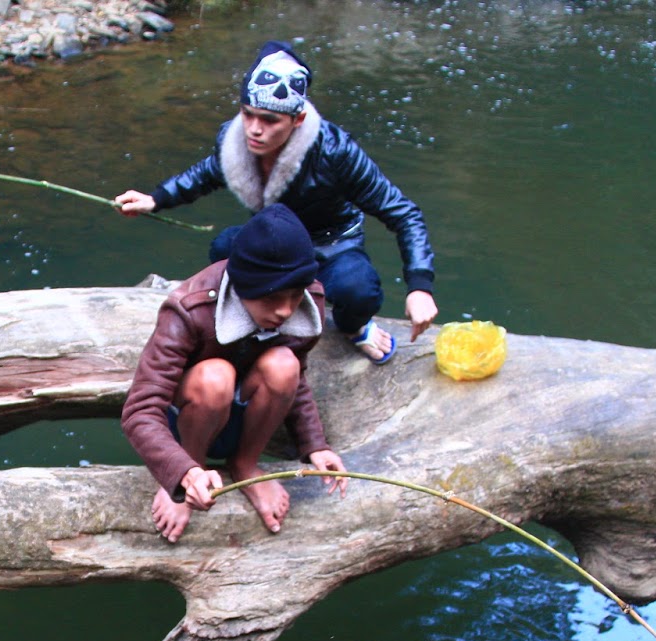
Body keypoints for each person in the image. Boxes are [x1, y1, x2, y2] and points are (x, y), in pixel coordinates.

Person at [114, 40, 437, 363]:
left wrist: (420, 286)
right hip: (273, 242)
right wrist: (155, 199)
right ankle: (259, 315)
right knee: (224, 249)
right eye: (248, 115)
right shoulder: (235, 139)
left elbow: (404, 214)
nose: (254, 130)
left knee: (359, 291)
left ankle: (352, 327)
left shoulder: (336, 152)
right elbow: (207, 173)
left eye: (269, 120)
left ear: (297, 120)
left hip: (331, 243)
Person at [121, 203, 347, 544]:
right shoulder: (189, 308)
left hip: (243, 411)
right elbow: (140, 410)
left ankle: (245, 463)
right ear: (243, 286)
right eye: (272, 298)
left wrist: (315, 444)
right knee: (216, 376)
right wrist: (181, 473)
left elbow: (296, 376)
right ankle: (194, 473)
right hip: (189, 415)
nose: (286, 310)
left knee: (284, 363)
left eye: (294, 295)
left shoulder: (306, 300)